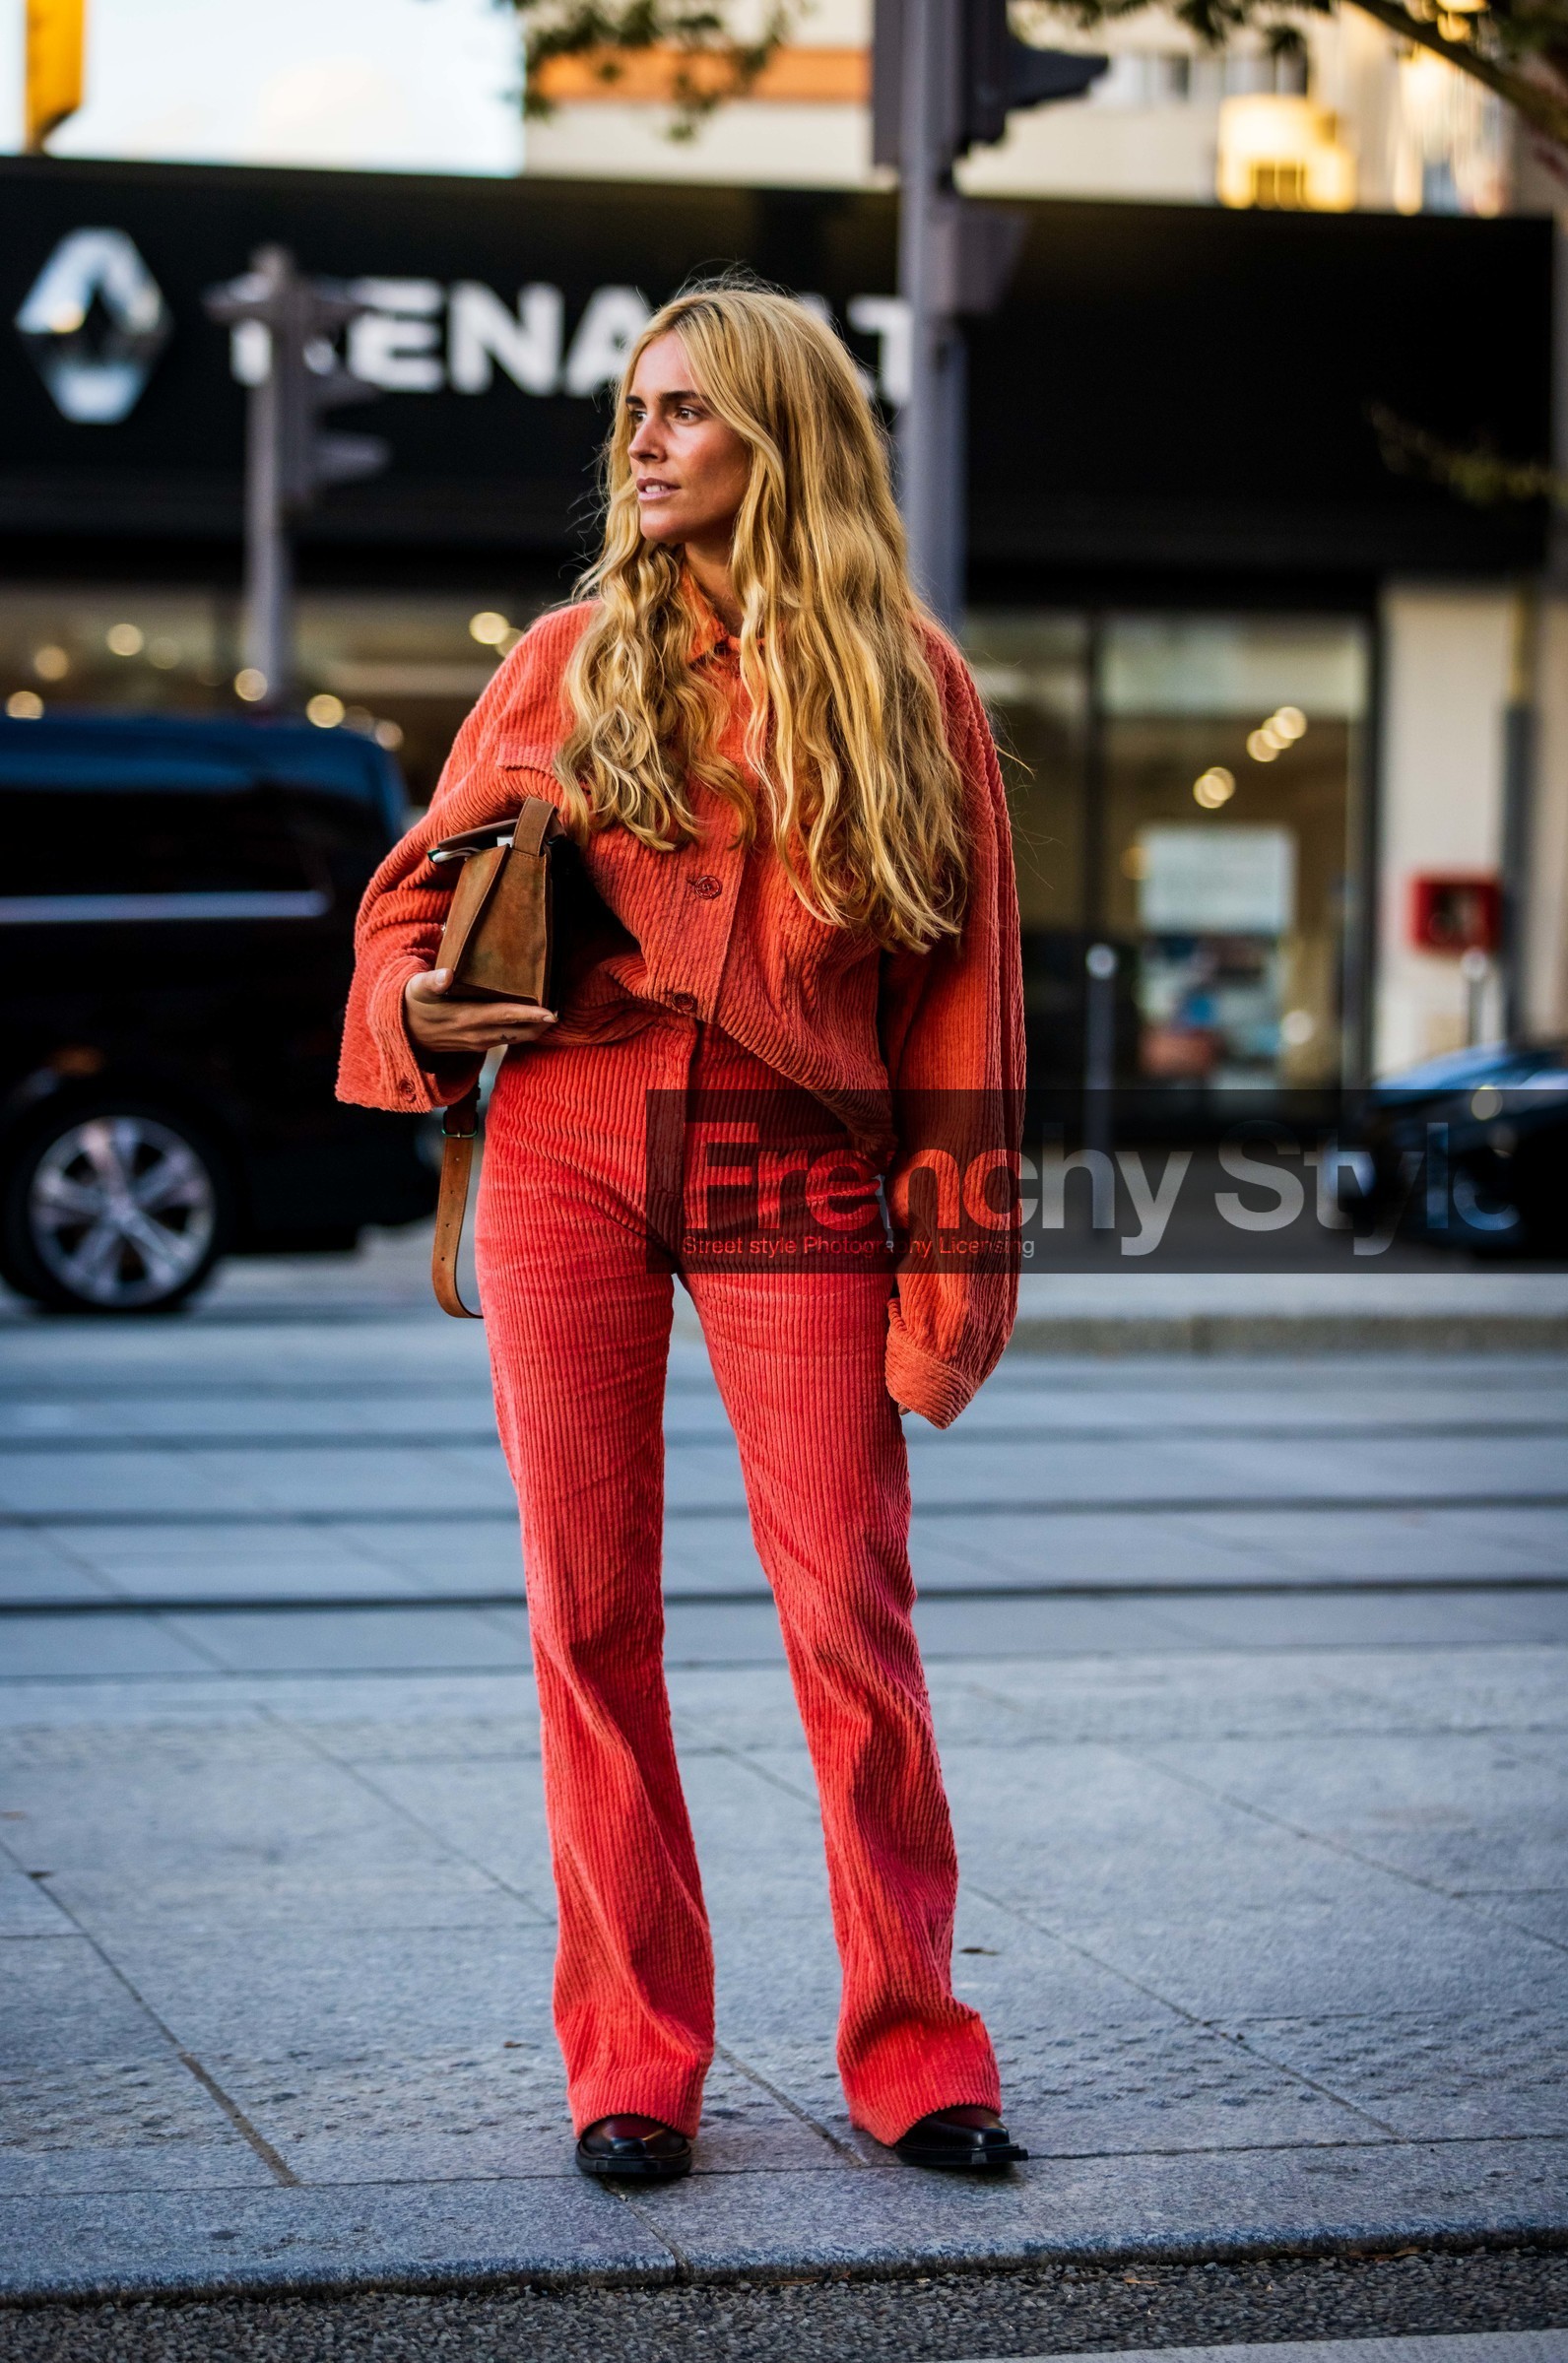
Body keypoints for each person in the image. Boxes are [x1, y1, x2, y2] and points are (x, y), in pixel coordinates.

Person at [338, 280, 1026, 2185]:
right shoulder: (565, 659)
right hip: (565, 1137)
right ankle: (631, 2057)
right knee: (588, 1613)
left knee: (847, 1612)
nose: (642, 441)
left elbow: (966, 1011)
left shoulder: (910, 679)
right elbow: (406, 905)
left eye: (684, 413)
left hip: (796, 1160)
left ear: (777, 443)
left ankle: (915, 2045)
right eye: (634, 410)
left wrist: (951, 1283)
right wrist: (419, 1007)